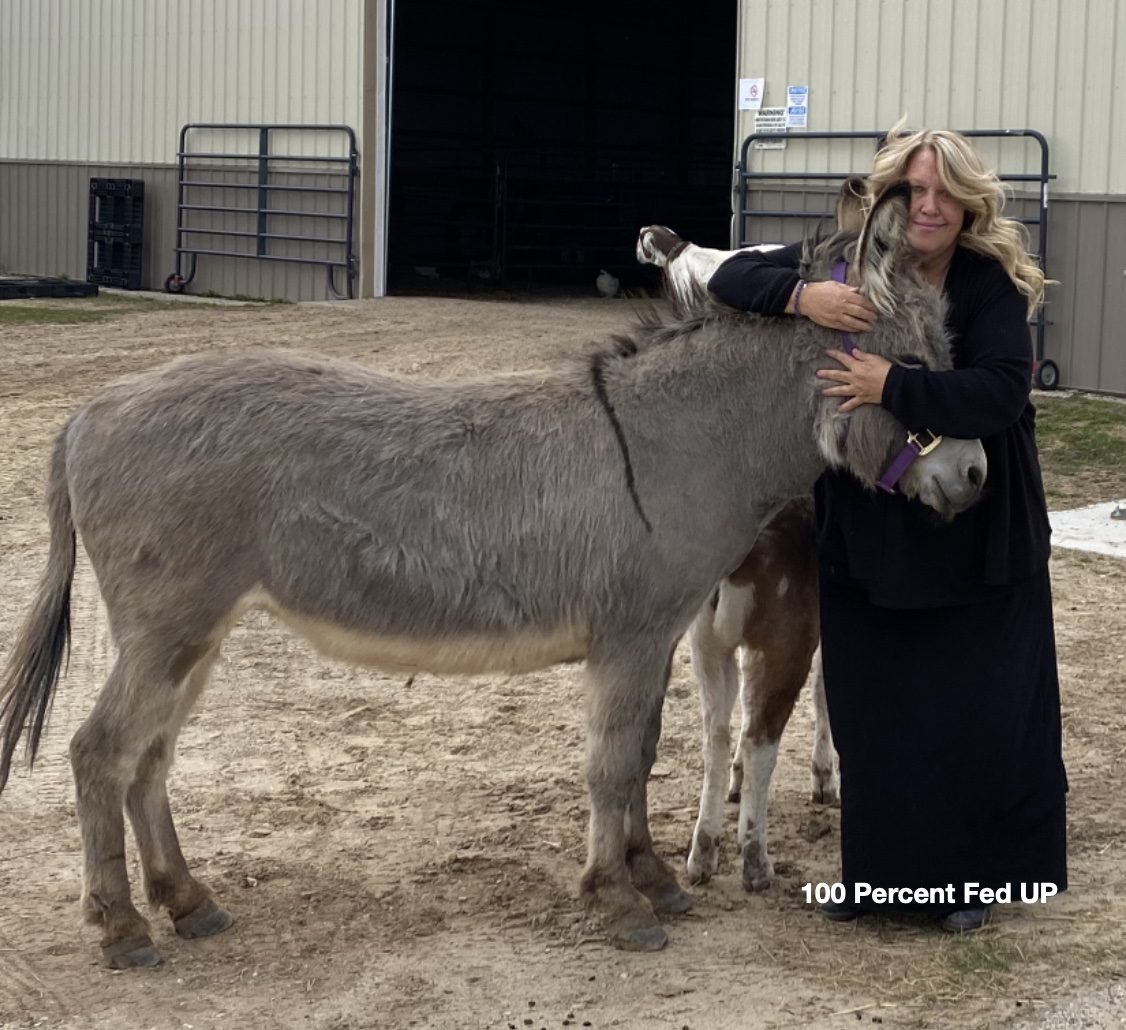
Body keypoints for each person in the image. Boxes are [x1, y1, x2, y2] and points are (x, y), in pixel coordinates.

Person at [706, 123, 1067, 932]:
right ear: (889, 197)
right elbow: (729, 276)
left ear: (968, 202)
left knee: (966, 709)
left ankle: (962, 885)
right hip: (874, 524)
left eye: (945, 192)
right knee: (875, 702)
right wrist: (804, 298)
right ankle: (881, 881)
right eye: (915, 191)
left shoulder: (985, 286)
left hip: (975, 525)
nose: (930, 207)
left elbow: (999, 393)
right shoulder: (849, 264)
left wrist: (890, 382)